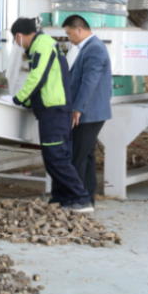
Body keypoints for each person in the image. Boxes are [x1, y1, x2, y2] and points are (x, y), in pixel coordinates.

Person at [1, 17, 93, 212]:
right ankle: (62, 199)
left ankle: (81, 198)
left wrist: (17, 99)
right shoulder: (42, 45)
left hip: (54, 111)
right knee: (56, 157)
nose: (17, 44)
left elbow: (37, 77)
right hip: (55, 109)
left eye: (15, 40)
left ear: (19, 36)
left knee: (56, 157)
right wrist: (27, 101)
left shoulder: (42, 45)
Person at [62, 15, 112, 207]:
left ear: (79, 30)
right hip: (89, 112)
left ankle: (78, 201)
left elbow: (89, 83)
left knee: (78, 157)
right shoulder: (90, 48)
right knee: (88, 157)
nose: (69, 39)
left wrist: (77, 108)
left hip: (88, 113)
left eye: (69, 34)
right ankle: (87, 200)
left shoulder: (94, 49)